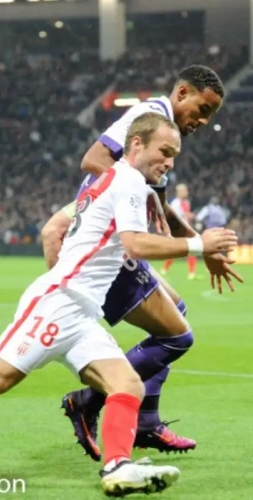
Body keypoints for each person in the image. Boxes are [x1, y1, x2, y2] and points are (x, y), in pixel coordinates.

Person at [0, 114, 238, 496]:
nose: (169, 162)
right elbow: (135, 244)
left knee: (127, 384)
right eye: (164, 151)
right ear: (136, 144)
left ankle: (117, 467)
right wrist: (199, 244)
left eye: (175, 155)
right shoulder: (129, 182)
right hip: (57, 304)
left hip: (83, 313)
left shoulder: (119, 179)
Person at [40, 65, 242, 461]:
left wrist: (202, 247)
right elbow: (94, 159)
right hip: (108, 245)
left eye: (210, 116)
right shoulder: (148, 118)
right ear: (182, 92)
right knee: (177, 336)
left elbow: (161, 207)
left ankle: (145, 421)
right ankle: (89, 401)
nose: (202, 121)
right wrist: (144, 206)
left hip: (110, 239)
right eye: (202, 109)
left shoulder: (163, 135)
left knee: (177, 311)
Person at [161, 184, 197, 279]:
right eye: (183, 191)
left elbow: (186, 217)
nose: (186, 193)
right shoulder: (175, 203)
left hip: (185, 229)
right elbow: (177, 217)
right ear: (179, 192)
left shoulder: (187, 202)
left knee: (190, 249)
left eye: (186, 191)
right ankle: (191, 273)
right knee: (183, 250)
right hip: (178, 229)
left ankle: (191, 272)